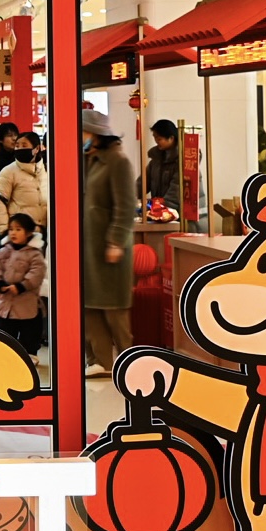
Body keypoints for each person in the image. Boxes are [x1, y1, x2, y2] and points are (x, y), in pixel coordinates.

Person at [81, 110, 137, 377]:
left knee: (115, 310)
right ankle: (102, 362)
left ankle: (130, 362)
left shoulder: (118, 161)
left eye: (83, 132)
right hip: (90, 247)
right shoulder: (91, 160)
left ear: (96, 133)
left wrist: (116, 241)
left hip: (110, 248)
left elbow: (125, 206)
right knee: (91, 306)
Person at [0, 211, 47, 357]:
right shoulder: (5, 250)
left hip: (26, 302)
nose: (13, 233)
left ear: (28, 233)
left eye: (18, 229)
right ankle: (5, 355)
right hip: (5, 302)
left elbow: (36, 273)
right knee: (4, 331)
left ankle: (30, 355)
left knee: (29, 332)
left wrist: (22, 286)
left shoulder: (35, 254)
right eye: (11, 229)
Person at [0, 134, 49, 240]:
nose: (19, 149)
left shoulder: (47, 169)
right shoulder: (8, 172)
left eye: (24, 145)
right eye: (17, 146)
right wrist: (6, 232)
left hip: (45, 234)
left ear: (36, 149)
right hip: (21, 236)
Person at [144, 119, 182, 212]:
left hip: (180, 213)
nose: (156, 141)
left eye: (159, 139)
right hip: (163, 211)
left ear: (171, 138)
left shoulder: (183, 160)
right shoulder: (156, 160)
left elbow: (175, 193)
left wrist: (156, 206)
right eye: (155, 138)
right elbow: (143, 182)